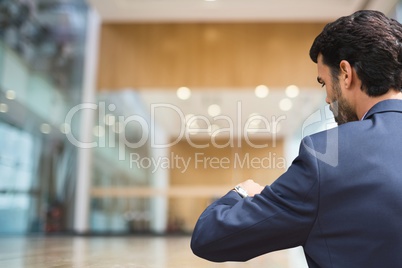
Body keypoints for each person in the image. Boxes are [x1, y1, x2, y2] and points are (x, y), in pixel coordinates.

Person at [190, 10, 402, 267]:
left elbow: (209, 237)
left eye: (324, 83)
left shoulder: (328, 157)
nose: (327, 99)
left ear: (346, 73)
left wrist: (242, 191)